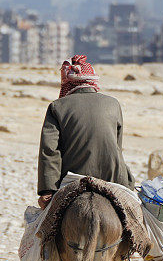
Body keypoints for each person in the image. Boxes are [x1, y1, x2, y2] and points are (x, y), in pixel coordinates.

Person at [37, 55, 134, 209]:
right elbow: (117, 146)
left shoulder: (57, 106)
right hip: (114, 178)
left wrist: (48, 189)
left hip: (73, 179)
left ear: (68, 82)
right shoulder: (113, 104)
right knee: (138, 222)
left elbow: (49, 151)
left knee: (40, 226)